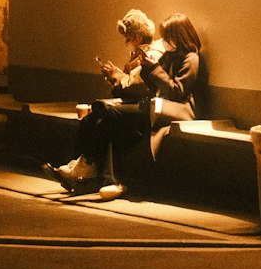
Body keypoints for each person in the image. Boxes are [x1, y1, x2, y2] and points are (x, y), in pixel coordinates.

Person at [45, 12, 204, 198]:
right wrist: (141, 66)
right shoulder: (170, 56)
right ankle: (86, 167)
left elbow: (176, 92)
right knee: (103, 111)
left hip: (175, 110)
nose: (164, 41)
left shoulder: (191, 58)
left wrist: (153, 68)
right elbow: (149, 84)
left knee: (109, 112)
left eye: (168, 36)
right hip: (154, 105)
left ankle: (88, 168)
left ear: (179, 36)